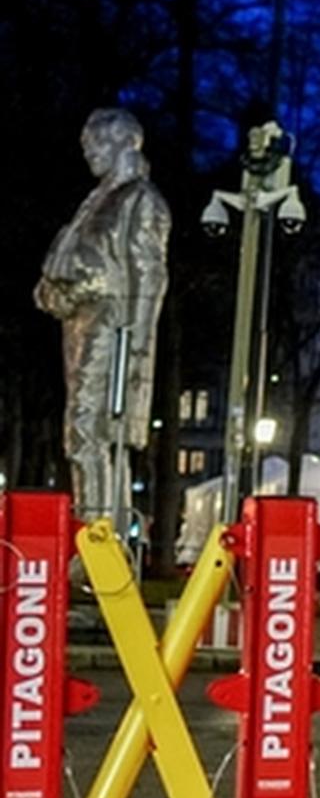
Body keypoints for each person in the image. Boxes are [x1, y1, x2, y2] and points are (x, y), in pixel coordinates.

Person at [35, 108, 171, 522]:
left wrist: (135, 346)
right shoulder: (98, 200)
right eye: (85, 145)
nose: (88, 152)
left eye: (95, 143)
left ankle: (99, 535)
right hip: (85, 323)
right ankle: (98, 530)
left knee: (89, 430)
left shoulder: (139, 199)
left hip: (113, 325)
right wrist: (54, 290)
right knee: (82, 430)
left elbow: (148, 275)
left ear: (121, 143)